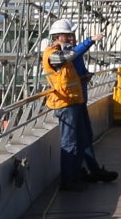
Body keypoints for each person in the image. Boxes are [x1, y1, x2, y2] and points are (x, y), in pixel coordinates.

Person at [45, 20, 115, 185]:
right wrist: (90, 40)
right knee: (70, 143)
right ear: (57, 36)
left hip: (76, 100)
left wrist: (83, 77)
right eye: (68, 35)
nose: (71, 38)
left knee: (83, 139)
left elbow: (69, 74)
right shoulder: (52, 54)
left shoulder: (63, 52)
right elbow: (70, 56)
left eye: (71, 35)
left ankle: (88, 172)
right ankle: (70, 181)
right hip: (66, 103)